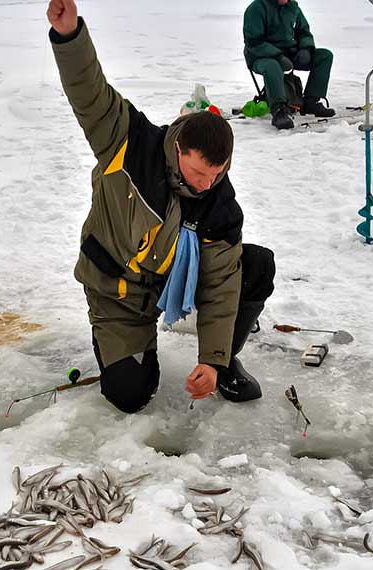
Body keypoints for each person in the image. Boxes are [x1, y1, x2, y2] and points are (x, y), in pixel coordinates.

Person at [46, 0, 276, 413]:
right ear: (177, 145)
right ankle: (122, 346)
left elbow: (222, 283)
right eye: (196, 173)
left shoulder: (218, 202)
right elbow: (89, 91)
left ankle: (226, 363)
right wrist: (69, 36)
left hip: (174, 282)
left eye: (216, 174)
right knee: (130, 394)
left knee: (255, 265)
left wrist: (211, 360)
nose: (205, 184)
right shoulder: (129, 144)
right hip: (118, 293)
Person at [243, 0, 336, 130]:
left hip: (289, 53)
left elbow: (303, 31)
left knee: (324, 56)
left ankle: (311, 102)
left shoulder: (293, 7)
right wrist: (277, 55)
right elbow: (253, 42)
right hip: (260, 56)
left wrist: (306, 49)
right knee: (272, 66)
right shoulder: (256, 8)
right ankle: (279, 111)